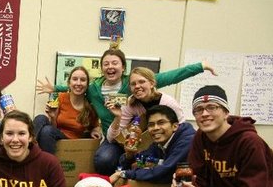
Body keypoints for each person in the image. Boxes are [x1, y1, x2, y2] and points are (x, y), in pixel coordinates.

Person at [36, 47, 216, 175]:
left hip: (140, 138)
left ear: (123, 67)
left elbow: (171, 76)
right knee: (103, 160)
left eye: (115, 63)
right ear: (102, 68)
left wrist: (200, 66)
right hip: (113, 137)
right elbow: (77, 87)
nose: (110, 67)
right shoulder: (93, 90)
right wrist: (55, 88)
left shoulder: (134, 84)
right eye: (106, 64)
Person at [109, 105, 195, 184]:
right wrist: (129, 155)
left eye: (161, 123)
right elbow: (141, 160)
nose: (155, 128)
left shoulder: (187, 141)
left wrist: (123, 173)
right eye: (151, 125)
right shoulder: (159, 143)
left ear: (175, 126)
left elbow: (164, 171)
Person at [106, 67, 186, 145]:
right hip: (139, 144)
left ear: (152, 84)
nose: (137, 86)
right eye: (133, 84)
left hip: (167, 143)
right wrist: (118, 117)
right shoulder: (130, 104)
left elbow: (182, 129)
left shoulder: (168, 103)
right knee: (107, 153)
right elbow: (111, 139)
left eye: (142, 82)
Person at [34, 66, 102, 154]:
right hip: (55, 136)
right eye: (75, 79)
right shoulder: (61, 97)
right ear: (69, 83)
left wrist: (96, 131)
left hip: (72, 145)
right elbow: (54, 128)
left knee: (47, 130)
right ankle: (29, 147)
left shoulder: (90, 106)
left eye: (82, 80)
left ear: (87, 85)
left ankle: (47, 161)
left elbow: (96, 126)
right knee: (40, 118)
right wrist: (53, 117)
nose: (78, 83)